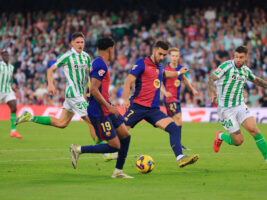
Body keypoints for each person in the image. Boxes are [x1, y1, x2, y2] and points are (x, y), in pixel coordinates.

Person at [122, 41, 199, 168]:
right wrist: (125, 99)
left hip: (153, 110)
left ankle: (180, 158)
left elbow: (165, 74)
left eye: (164, 55)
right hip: (137, 107)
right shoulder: (142, 63)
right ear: (154, 50)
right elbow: (128, 81)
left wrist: (179, 73)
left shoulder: (159, 67)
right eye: (160, 54)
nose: (162, 57)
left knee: (174, 128)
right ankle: (85, 150)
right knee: (120, 133)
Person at [207, 45, 267, 170]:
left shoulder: (245, 71)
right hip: (225, 109)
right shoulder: (226, 66)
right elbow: (211, 78)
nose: (238, 59)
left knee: (254, 130)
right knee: (238, 141)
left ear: (246, 57)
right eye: (236, 56)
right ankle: (220, 136)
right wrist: (211, 93)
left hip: (240, 105)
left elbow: (256, 80)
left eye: (241, 57)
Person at [70, 37, 132, 178]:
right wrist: (108, 107)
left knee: (126, 137)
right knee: (115, 145)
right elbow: (94, 90)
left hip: (107, 108)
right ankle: (78, 149)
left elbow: (99, 89)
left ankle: (118, 172)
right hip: (99, 111)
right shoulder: (100, 65)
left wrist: (110, 104)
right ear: (110, 49)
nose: (114, 52)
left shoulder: (101, 63)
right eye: (113, 49)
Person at [15, 32, 96, 141]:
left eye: (82, 42)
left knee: (62, 123)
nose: (80, 44)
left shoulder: (86, 57)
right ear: (72, 43)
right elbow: (51, 69)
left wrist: (89, 92)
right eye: (77, 42)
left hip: (79, 94)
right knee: (92, 120)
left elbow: (90, 74)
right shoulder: (67, 56)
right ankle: (105, 150)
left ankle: (30, 117)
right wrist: (51, 85)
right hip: (73, 93)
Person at [161, 47, 198, 150]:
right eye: (173, 56)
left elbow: (184, 79)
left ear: (179, 56)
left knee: (176, 122)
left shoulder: (181, 68)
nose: (174, 58)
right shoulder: (165, 69)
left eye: (176, 56)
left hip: (176, 99)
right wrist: (164, 92)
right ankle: (178, 145)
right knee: (178, 120)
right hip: (169, 99)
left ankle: (177, 144)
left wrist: (193, 90)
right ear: (169, 56)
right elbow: (159, 83)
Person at [0, 50, 22, 138]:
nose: (7, 57)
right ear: (2, 56)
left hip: (8, 90)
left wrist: (13, 87)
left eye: (8, 55)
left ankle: (13, 131)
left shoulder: (11, 67)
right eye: (5, 55)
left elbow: (10, 79)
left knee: (14, 107)